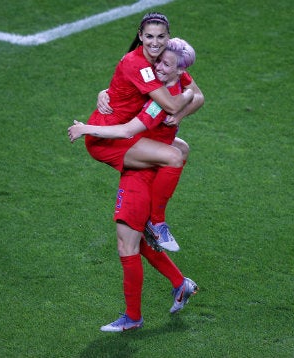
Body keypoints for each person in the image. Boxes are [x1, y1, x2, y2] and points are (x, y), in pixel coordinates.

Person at [70, 13, 200, 332]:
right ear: (141, 36)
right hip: (135, 151)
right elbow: (140, 82)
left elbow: (136, 124)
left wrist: (86, 128)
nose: (157, 47)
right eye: (151, 37)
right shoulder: (154, 70)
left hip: (134, 156)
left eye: (162, 38)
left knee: (128, 242)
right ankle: (177, 281)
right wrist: (107, 90)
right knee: (134, 239)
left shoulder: (161, 92)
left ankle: (135, 315)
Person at [69, 37, 204, 252]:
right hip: (128, 136)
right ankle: (157, 222)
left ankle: (157, 225)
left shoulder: (169, 87)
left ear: (179, 71)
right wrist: (104, 93)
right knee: (129, 239)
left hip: (136, 133)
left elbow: (197, 97)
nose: (158, 65)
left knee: (180, 151)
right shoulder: (151, 71)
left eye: (165, 64)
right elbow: (127, 116)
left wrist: (179, 113)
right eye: (158, 60)